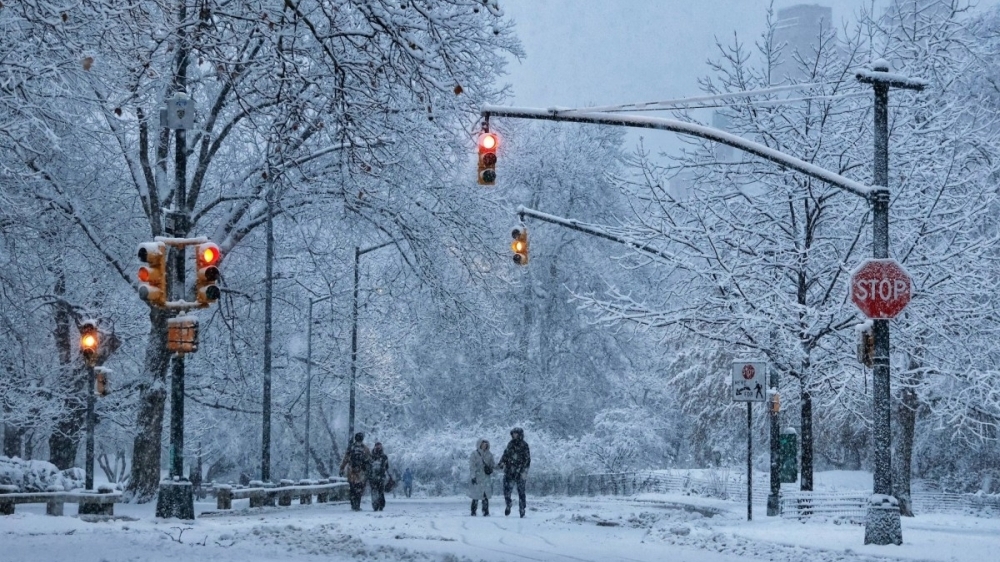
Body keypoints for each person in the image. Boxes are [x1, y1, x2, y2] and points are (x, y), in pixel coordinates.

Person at [497, 426, 530, 518]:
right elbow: (505, 455)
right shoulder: (510, 444)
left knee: (521, 491)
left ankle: (522, 508)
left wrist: (524, 470)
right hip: (509, 471)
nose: (515, 435)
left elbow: (527, 460)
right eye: (513, 433)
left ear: (520, 434)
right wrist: (501, 462)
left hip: (520, 472)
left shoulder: (524, 445)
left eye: (516, 433)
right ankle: (508, 503)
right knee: (506, 490)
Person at [339, 432, 371, 511]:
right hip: (360, 472)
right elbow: (369, 460)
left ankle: (353, 504)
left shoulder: (351, 448)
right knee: (359, 489)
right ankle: (357, 505)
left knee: (352, 488)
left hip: (351, 471)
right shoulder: (365, 448)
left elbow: (345, 459)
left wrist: (342, 468)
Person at [468, 438, 496, 516]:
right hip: (477, 477)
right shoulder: (474, 454)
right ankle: (473, 511)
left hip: (486, 478)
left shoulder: (489, 454)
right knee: (475, 496)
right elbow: (472, 466)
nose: (484, 446)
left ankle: (485, 512)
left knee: (485, 495)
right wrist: (473, 476)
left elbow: (492, 465)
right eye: (483, 444)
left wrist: (499, 466)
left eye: (485, 445)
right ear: (479, 445)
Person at [368, 442, 390, 511]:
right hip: (380, 477)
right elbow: (387, 467)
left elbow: (367, 466)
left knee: (374, 491)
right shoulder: (384, 456)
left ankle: (375, 505)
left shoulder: (371, 456)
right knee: (380, 491)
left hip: (373, 477)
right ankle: (381, 505)